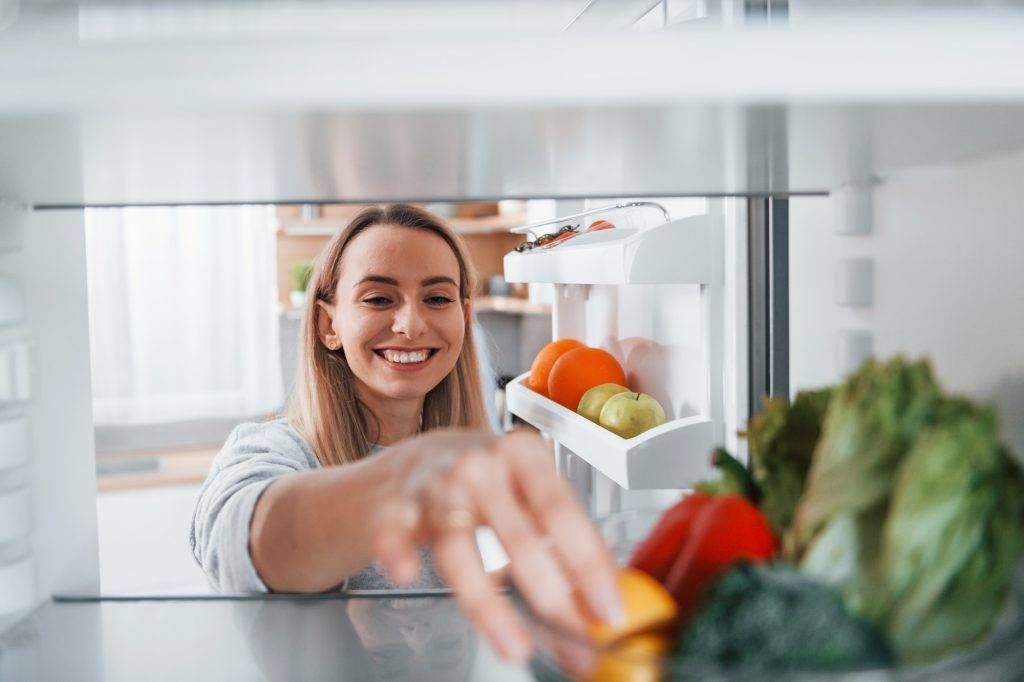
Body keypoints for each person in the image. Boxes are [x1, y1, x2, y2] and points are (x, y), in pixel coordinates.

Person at [190, 204, 621, 662]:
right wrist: (403, 481)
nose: (411, 325)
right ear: (328, 324)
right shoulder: (271, 448)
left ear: (463, 315)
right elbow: (243, 542)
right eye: (378, 298)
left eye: (437, 298)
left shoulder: (458, 469)